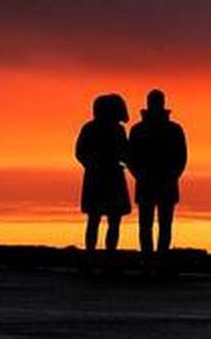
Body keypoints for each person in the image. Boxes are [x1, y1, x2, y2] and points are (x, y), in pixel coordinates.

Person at [126, 88, 187, 270]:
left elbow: (181, 158)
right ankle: (152, 260)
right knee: (153, 225)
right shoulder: (170, 129)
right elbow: (132, 158)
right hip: (154, 182)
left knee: (158, 225)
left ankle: (156, 260)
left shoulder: (142, 130)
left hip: (157, 182)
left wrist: (171, 175)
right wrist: (141, 175)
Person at [74, 93, 130, 269]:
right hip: (109, 176)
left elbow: (80, 152)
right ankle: (105, 258)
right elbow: (81, 152)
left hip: (98, 176)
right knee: (106, 220)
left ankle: (97, 258)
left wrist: (91, 165)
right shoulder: (114, 130)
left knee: (98, 219)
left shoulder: (91, 128)